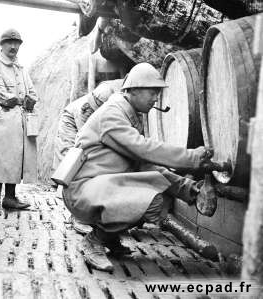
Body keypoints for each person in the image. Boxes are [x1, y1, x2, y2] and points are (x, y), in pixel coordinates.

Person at [62, 63, 218, 271]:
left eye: (157, 93)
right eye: (152, 92)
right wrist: (192, 158)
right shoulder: (113, 114)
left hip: (99, 184)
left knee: (149, 189)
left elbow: (146, 164)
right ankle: (95, 240)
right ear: (133, 90)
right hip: (83, 190)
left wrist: (189, 189)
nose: (156, 98)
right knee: (150, 202)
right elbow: (146, 150)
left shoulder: (128, 112)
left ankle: (110, 239)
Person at [0, 29, 38, 216]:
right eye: (9, 42)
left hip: (19, 122)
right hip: (1, 122)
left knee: (15, 159)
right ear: (1, 45)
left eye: (17, 43)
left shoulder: (21, 69)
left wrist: (30, 100)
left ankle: (10, 198)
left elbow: (33, 93)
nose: (13, 46)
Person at [52, 80, 121, 234]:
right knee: (74, 164)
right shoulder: (86, 109)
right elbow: (85, 140)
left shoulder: (111, 96)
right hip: (71, 125)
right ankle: (76, 215)